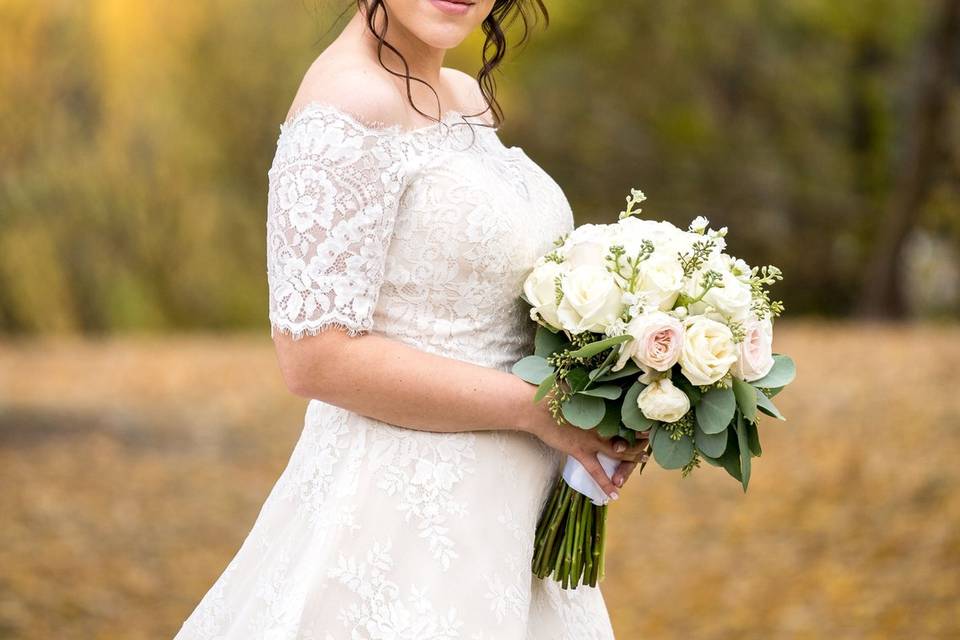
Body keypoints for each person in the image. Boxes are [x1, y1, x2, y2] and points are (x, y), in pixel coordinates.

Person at [174, 1, 648, 637]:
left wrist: (619, 383)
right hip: (400, 522)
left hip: (509, 527)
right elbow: (316, 356)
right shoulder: (348, 102)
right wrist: (539, 407)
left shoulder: (462, 95)